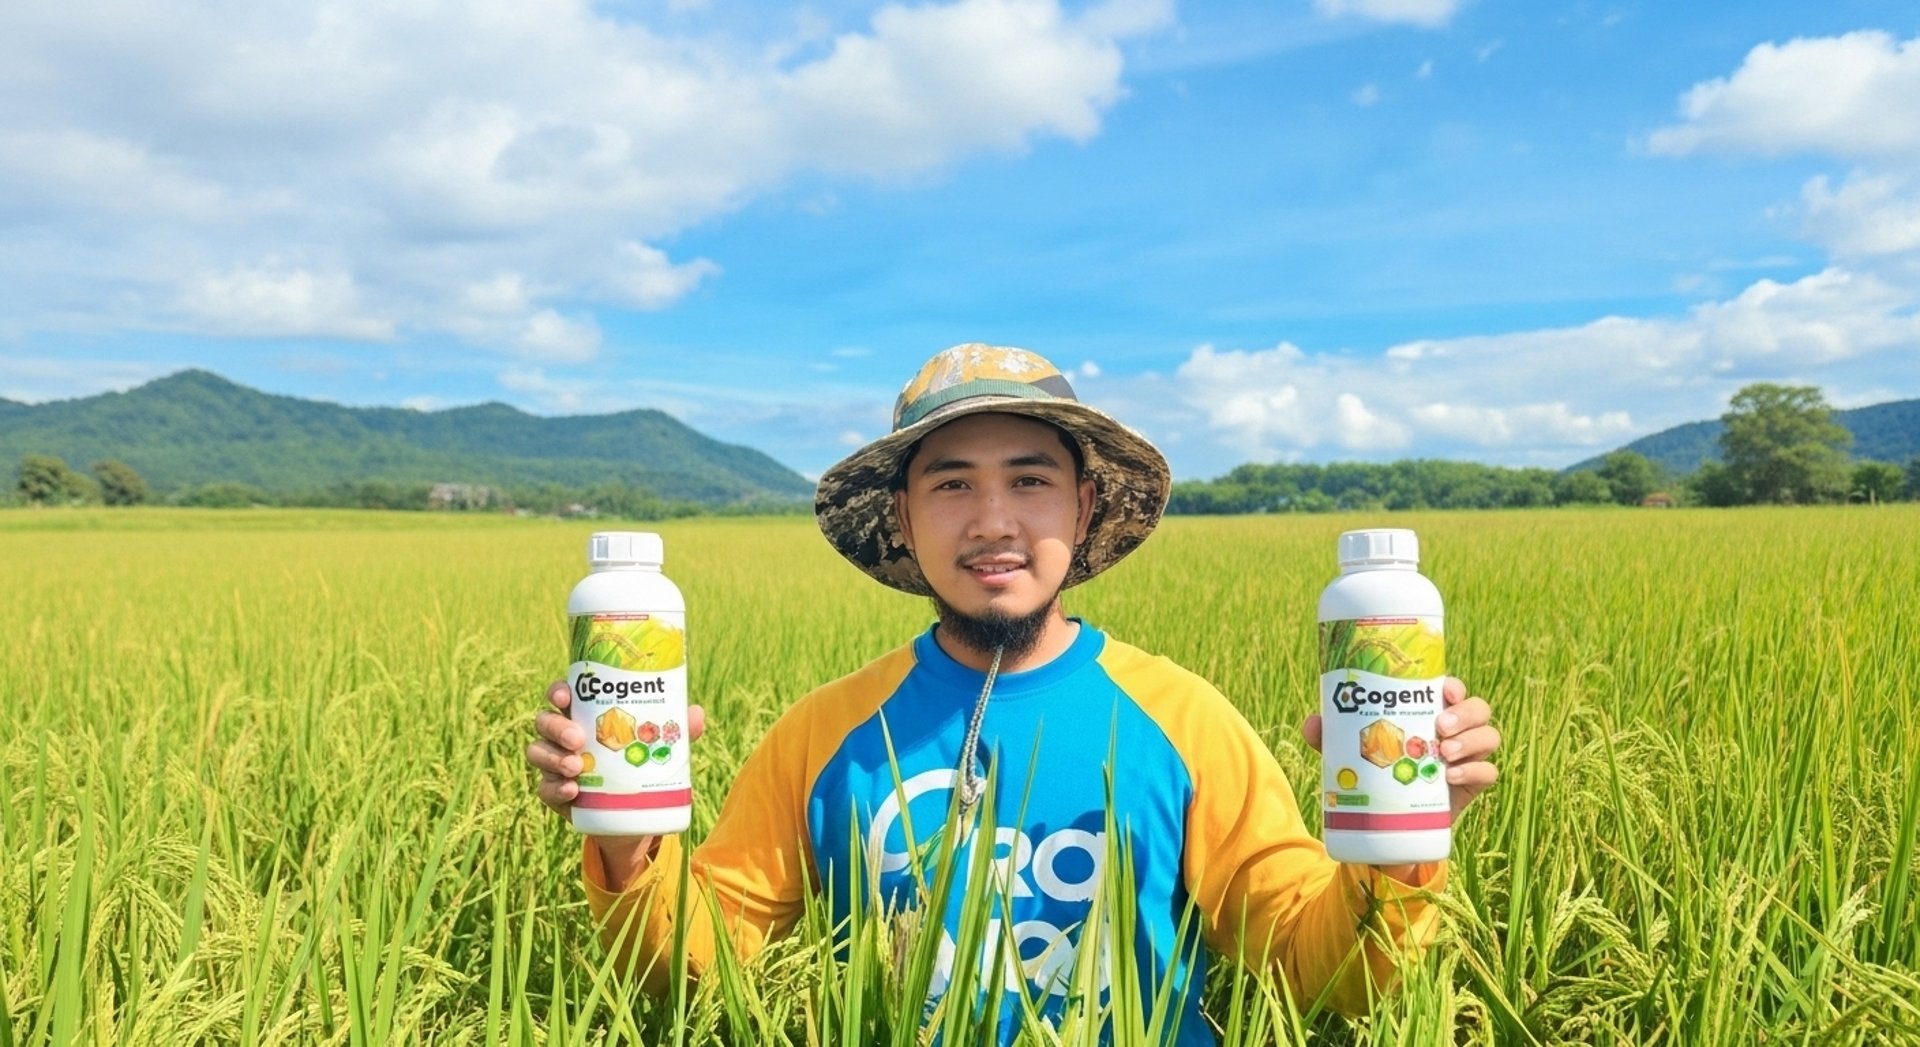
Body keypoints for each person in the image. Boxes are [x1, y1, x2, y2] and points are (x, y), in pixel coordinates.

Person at [526, 343, 1500, 1043]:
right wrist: (625, 843)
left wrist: (1405, 843)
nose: (992, 521)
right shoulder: (828, 735)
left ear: (1083, 506)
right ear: (903, 520)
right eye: (951, 485)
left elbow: (1326, 969)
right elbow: (694, 967)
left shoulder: (1182, 722)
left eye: (1029, 481)